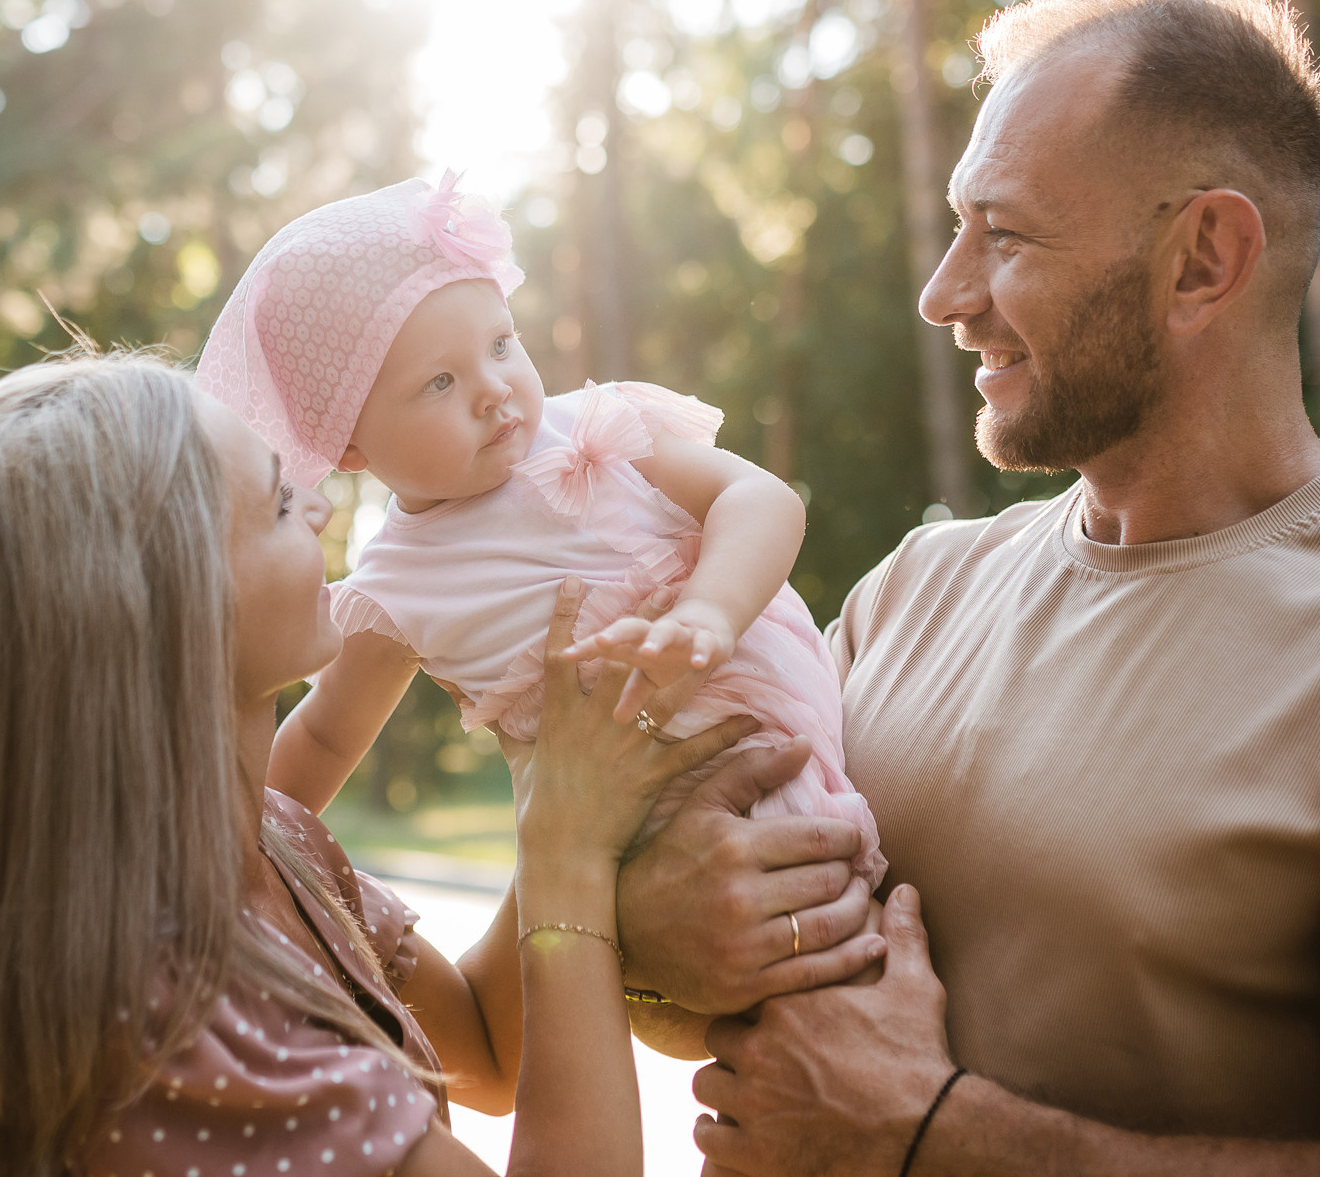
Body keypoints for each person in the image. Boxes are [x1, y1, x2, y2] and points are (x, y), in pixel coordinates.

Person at [609, 0, 1320, 1175]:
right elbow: (682, 988)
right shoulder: (910, 593)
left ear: (1201, 258)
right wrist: (649, 920)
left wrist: (933, 1138)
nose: (943, 295)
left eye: (1002, 235)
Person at [0, 348, 886, 1177]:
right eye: (281, 504)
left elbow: (482, 1052)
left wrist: (583, 788)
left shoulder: (273, 843)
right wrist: (566, 853)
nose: (330, 506)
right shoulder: (163, 1014)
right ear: (162, 612)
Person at [195, 173, 885, 883]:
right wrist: (229, 843)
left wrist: (710, 606)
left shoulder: (594, 427)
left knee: (837, 925)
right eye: (440, 382)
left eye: (500, 344)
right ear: (349, 447)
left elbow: (760, 497)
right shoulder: (397, 587)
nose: (494, 388)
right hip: (638, 853)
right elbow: (325, 733)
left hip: (770, 744)